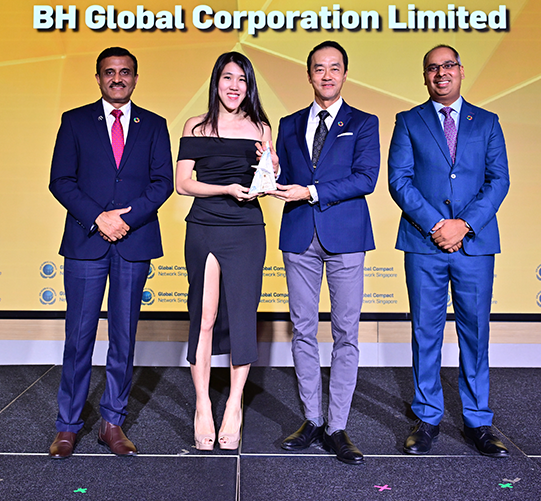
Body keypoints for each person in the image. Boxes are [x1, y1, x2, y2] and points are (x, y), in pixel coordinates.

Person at [47, 47, 174, 458]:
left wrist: (126, 219)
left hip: (133, 243)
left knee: (123, 337)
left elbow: (163, 182)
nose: (117, 78)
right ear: (98, 77)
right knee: (79, 336)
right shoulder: (74, 121)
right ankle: (68, 426)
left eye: (125, 72)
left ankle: (112, 423)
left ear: (135, 77)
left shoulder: (153, 124)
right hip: (87, 242)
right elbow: (60, 180)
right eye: (109, 72)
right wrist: (98, 218)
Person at [387, 44, 510, 457]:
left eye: (448, 65)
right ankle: (426, 417)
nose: (441, 73)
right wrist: (438, 225)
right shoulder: (408, 121)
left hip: (475, 244)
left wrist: (464, 224)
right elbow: (399, 180)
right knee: (426, 331)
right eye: (433, 68)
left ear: (461, 70)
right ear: (425, 76)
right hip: (424, 243)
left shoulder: (487, 122)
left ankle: (478, 420)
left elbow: (499, 180)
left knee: (475, 332)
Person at [269, 40, 379, 465]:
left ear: (345, 74)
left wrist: (311, 191)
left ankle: (337, 426)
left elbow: (366, 178)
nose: (327, 75)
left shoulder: (364, 122)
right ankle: (312, 419)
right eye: (319, 68)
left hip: (346, 237)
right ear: (309, 74)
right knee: (302, 329)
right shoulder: (288, 123)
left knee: (345, 332)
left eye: (335, 68)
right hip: (299, 235)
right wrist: (269, 172)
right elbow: (281, 176)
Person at [175, 52, 273, 451]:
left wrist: (269, 171)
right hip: (204, 226)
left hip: (246, 229)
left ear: (249, 86)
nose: (234, 86)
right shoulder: (195, 126)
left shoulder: (262, 127)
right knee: (205, 316)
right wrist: (226, 189)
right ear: (216, 81)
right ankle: (202, 405)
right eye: (228, 78)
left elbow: (268, 179)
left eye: (242, 80)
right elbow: (183, 183)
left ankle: (234, 405)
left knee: (243, 318)